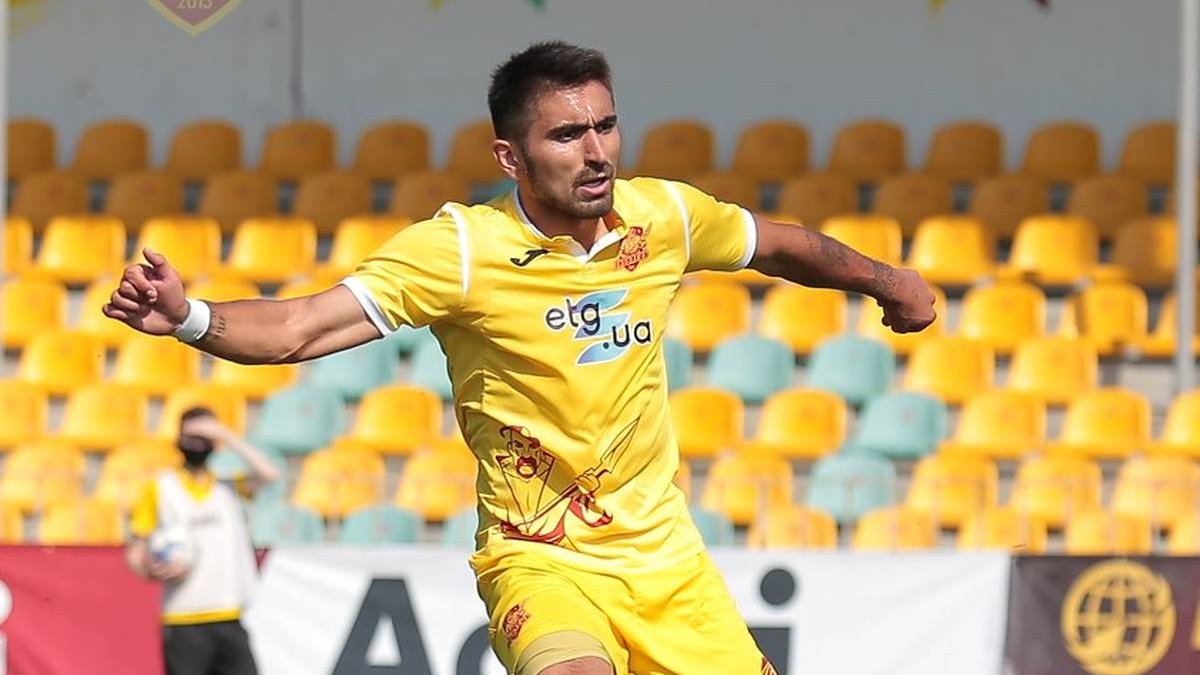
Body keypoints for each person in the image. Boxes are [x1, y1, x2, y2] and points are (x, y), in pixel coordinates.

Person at [104, 41, 935, 675]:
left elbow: (778, 244)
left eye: (606, 125)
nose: (597, 151)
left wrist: (889, 281)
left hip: (667, 561)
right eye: (567, 134)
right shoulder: (461, 251)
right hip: (539, 557)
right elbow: (299, 328)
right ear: (510, 157)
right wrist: (189, 317)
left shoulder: (663, 219)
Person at [126, 406, 281, 675]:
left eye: (204, 437)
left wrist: (225, 435)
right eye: (190, 436)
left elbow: (269, 474)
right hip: (182, 617)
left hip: (229, 613)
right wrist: (151, 568)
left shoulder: (229, 488)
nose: (196, 443)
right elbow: (135, 552)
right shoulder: (160, 487)